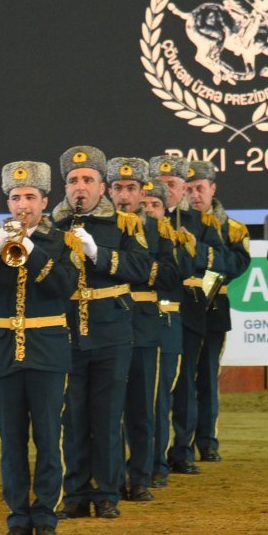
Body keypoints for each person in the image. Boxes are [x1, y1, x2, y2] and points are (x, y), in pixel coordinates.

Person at [0, 161, 76, 535]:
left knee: (47, 437)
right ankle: (17, 519)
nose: (22, 204)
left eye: (29, 197)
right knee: (11, 443)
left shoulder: (62, 242)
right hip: (5, 351)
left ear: (45, 201)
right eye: (15, 197)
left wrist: (33, 251)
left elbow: (63, 287)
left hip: (46, 351)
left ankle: (46, 518)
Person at [53, 145, 150, 520]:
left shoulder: (124, 225)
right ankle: (75, 491)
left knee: (108, 414)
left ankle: (107, 491)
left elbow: (141, 267)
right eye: (74, 181)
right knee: (73, 414)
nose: (81, 187)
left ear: (102, 187)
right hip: (66, 329)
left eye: (88, 180)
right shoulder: (53, 226)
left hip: (111, 327)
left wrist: (100, 255)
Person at [171, 160, 251, 470]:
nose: (193, 195)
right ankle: (185, 441)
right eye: (187, 189)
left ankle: (208, 441)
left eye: (199, 188)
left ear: (213, 189)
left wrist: (204, 276)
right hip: (184, 305)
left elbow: (237, 264)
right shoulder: (176, 222)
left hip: (214, 307)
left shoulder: (231, 227)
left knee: (207, 377)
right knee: (184, 379)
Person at [108, 157, 172, 504]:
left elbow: (171, 275)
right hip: (107, 323)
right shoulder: (102, 227)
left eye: (131, 188)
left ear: (142, 191)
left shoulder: (157, 229)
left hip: (144, 325)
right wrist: (141, 267)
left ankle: (141, 478)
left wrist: (134, 269)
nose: (124, 195)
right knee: (109, 408)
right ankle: (112, 477)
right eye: (118, 187)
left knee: (141, 407)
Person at [146, 157, 195, 489]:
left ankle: (158, 463)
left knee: (160, 396)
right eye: (145, 203)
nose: (149, 208)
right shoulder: (129, 234)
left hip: (166, 320)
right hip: (136, 322)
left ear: (165, 208)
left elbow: (182, 273)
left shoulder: (174, 240)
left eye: (155, 204)